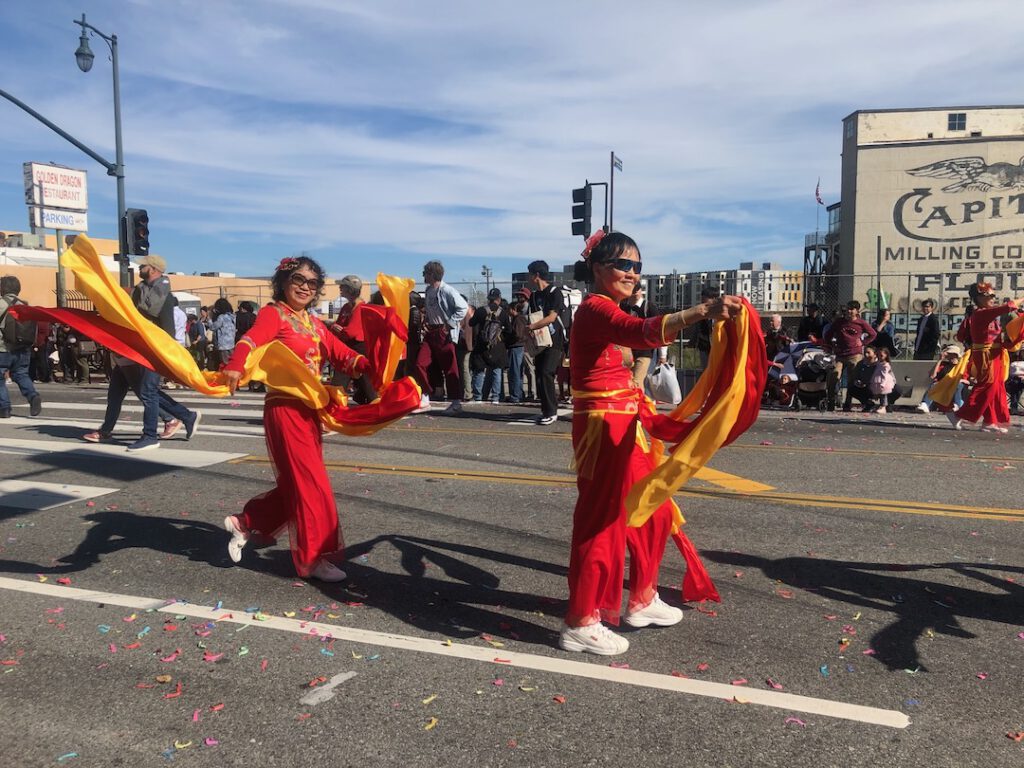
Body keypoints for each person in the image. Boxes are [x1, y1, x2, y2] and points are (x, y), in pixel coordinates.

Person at [559, 231, 742, 656]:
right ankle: (581, 621)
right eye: (624, 265)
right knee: (602, 521)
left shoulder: (610, 309)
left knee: (654, 510)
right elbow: (641, 333)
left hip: (629, 423)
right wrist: (702, 310)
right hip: (603, 427)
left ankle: (642, 597)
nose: (632, 273)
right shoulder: (594, 309)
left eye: (638, 267)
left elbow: (637, 341)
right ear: (598, 269)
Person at [221, 255, 370, 582]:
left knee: (299, 484)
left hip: (308, 411)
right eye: (299, 280)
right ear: (284, 282)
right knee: (312, 486)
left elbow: (340, 352)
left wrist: (366, 363)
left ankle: (246, 521)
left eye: (312, 283)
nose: (305, 287)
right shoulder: (274, 314)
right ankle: (312, 560)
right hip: (285, 409)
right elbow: (251, 339)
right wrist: (235, 363)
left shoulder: (313, 323)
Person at [92, 255, 200, 451]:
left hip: (153, 350)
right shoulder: (139, 292)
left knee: (148, 392)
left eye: (143, 265)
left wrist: (164, 355)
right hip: (135, 348)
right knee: (133, 392)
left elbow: (168, 330)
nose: (140, 268)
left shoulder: (164, 297)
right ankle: (186, 416)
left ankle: (150, 435)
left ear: (153, 269)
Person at [947, 283, 1019, 432]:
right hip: (986, 355)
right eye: (989, 296)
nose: (993, 298)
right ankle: (959, 415)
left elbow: (997, 336)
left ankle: (989, 420)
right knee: (987, 386)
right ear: (979, 298)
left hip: (996, 354)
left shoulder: (989, 314)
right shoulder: (981, 313)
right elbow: (1009, 306)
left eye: (993, 296)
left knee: (997, 387)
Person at [413, 260, 468, 414]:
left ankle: (456, 401)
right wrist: (426, 321)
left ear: (432, 274)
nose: (423, 275)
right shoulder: (429, 290)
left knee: (450, 368)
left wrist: (449, 325)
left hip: (444, 333)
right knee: (420, 363)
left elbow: (463, 307)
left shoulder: (447, 290)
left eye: (425, 273)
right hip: (431, 332)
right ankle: (425, 396)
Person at [525, 260, 566, 425]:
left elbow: (551, 317)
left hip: (554, 339)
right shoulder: (534, 296)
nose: (528, 277)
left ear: (536, 275)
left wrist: (532, 326)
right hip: (540, 340)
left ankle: (552, 411)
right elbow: (534, 315)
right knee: (539, 374)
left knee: (546, 372)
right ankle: (545, 409)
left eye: (530, 274)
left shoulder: (555, 292)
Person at [329, 275, 377, 405]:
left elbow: (350, 332)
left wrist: (335, 327)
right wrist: (336, 327)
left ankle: (334, 403)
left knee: (344, 375)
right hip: (348, 346)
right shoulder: (346, 307)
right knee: (364, 379)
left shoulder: (360, 307)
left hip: (358, 347)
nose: (340, 288)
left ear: (350, 289)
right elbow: (339, 328)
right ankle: (373, 401)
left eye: (343, 286)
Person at [0, 275, 42, 418]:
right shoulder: (25, 305)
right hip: (22, 348)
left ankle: (4, 408)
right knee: (21, 374)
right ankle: (33, 396)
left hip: (3, 348)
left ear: (2, 289)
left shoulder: (1, 304)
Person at [822, 300, 876, 411]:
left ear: (857, 311)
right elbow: (828, 335)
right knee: (834, 376)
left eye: (852, 309)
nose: (849, 311)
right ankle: (831, 402)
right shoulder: (839, 322)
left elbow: (873, 334)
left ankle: (848, 403)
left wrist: (863, 342)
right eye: (848, 309)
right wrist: (833, 345)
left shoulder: (861, 323)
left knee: (852, 380)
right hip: (840, 354)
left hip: (854, 355)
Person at [469, 288, 510, 403]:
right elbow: (509, 330)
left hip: (482, 345)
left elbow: (471, 323)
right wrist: (502, 338)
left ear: (489, 299)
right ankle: (495, 397)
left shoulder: (481, 311)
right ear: (499, 299)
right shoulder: (503, 313)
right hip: (497, 346)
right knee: (496, 371)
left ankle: (478, 397)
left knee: (479, 370)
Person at [620, 284, 661, 388]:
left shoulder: (650, 307)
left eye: (637, 290)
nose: (635, 293)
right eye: (632, 290)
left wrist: (663, 354)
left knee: (637, 382)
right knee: (627, 382)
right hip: (626, 351)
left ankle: (638, 403)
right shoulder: (623, 307)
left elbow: (660, 329)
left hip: (644, 351)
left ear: (641, 291)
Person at [916, 344, 965, 413]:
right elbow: (933, 376)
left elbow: (967, 381)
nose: (947, 356)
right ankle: (925, 404)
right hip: (941, 387)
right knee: (934, 385)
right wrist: (939, 360)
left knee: (959, 385)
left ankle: (958, 405)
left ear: (955, 355)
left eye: (949, 354)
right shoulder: (943, 365)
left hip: (955, 387)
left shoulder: (962, 366)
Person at [506, 289, 530, 403]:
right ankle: (518, 394)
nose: (508, 311)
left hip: (516, 347)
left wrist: (509, 337)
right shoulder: (520, 319)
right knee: (517, 372)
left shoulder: (518, 319)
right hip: (519, 347)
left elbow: (518, 334)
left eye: (509, 309)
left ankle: (515, 395)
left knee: (515, 372)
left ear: (514, 309)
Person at [842, 345, 878, 412]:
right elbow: (856, 376)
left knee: (893, 389)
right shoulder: (861, 364)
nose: (866, 355)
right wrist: (857, 381)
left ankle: (886, 405)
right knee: (851, 388)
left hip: (878, 387)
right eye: (864, 353)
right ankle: (868, 404)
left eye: (868, 352)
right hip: (865, 387)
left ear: (875, 354)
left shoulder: (879, 364)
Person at [868, 346, 897, 414]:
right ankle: (880, 406)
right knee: (880, 395)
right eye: (878, 355)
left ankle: (883, 406)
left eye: (881, 355)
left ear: (886, 355)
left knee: (884, 395)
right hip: (878, 380)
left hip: (883, 382)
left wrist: (883, 384)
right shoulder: (879, 363)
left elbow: (884, 375)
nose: (880, 357)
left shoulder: (886, 365)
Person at [209, 298, 236, 369]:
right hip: (231, 343)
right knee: (232, 362)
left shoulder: (221, 317)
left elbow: (213, 327)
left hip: (223, 345)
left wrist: (209, 319)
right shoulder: (232, 316)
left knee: (225, 363)